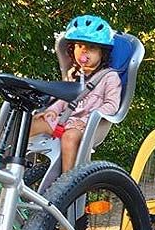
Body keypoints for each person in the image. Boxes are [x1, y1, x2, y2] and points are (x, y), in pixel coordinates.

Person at [28, 15, 122, 172]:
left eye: (91, 48)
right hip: (64, 119)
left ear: (102, 53)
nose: (84, 51)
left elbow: (112, 106)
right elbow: (65, 98)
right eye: (80, 46)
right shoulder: (74, 74)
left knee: (70, 138)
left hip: (87, 126)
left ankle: (67, 183)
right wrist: (52, 110)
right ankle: (16, 170)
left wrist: (87, 120)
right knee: (30, 124)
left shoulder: (110, 77)